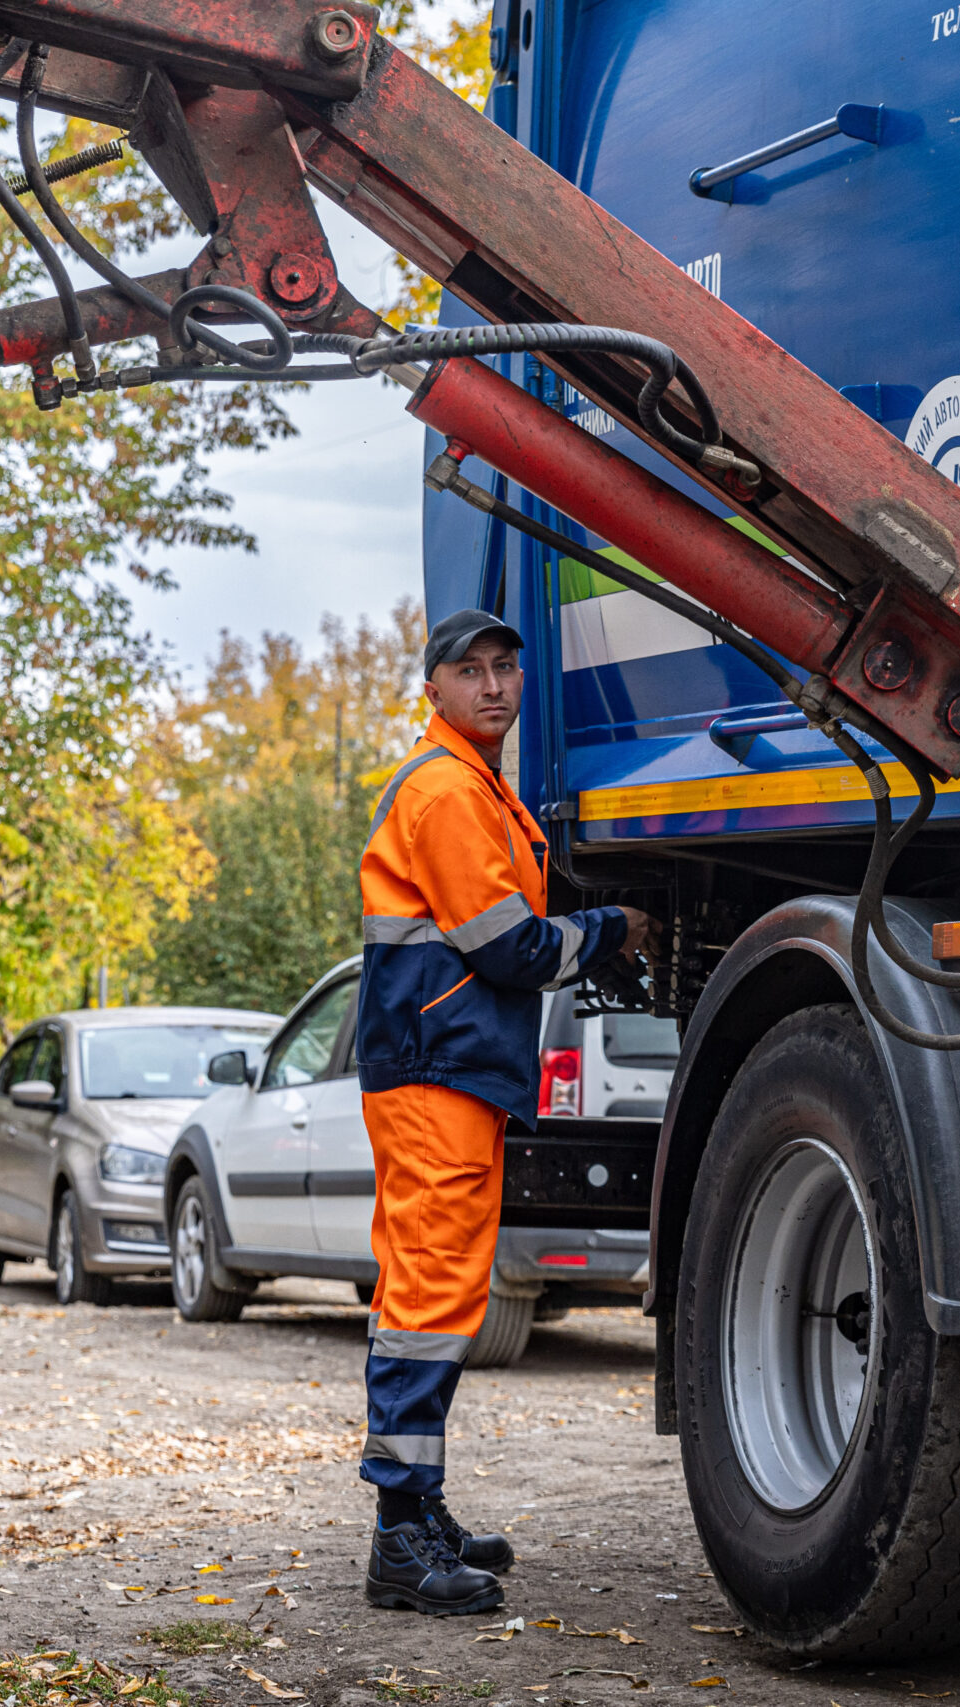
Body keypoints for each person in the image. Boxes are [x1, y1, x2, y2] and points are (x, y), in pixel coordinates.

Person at [351, 609, 660, 1616]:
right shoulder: (445, 790)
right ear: (432, 688)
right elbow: (507, 949)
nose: (493, 686)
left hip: (447, 1067)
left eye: (505, 670)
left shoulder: (473, 785)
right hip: (437, 1067)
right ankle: (402, 1537)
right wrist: (610, 929)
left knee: (430, 1290)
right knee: (431, 1298)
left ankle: (417, 1512)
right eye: (469, 672)